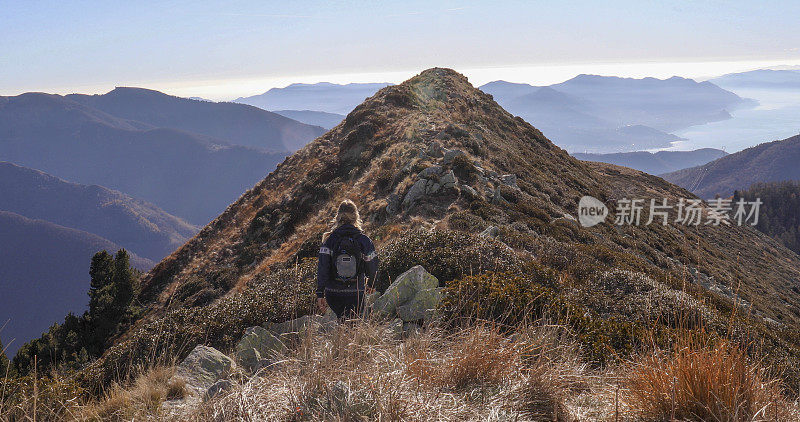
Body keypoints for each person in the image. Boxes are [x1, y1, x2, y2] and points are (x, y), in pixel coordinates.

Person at [316, 199, 378, 318]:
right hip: (356, 292)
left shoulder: (329, 240)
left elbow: (322, 269)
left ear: (338, 217)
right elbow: (373, 266)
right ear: (356, 217)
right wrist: (371, 284)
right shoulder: (364, 240)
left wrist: (320, 294)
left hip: (332, 293)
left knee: (339, 324)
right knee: (354, 326)